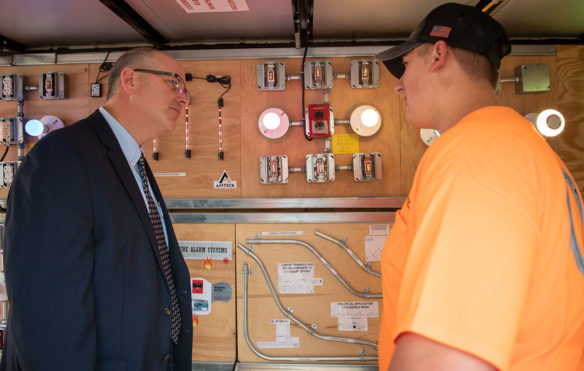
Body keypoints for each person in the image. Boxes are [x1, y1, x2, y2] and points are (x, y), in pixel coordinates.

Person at [376, 3, 584, 370]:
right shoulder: (519, 147)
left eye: (405, 66)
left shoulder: (476, 152)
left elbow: (444, 358)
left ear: (438, 54)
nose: (398, 86)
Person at [1, 48, 193, 370]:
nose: (184, 98)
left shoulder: (132, 163)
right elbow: (46, 307)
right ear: (130, 80)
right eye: (175, 83)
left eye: (186, 91)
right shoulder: (62, 156)